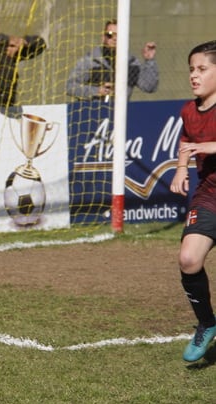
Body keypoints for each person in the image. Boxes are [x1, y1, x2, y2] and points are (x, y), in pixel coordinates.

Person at [169, 40, 216, 363]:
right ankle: (207, 324)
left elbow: (205, 145)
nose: (194, 76)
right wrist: (181, 169)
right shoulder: (188, 110)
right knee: (188, 259)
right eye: (191, 69)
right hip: (210, 195)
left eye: (202, 69)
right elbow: (186, 143)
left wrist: (210, 146)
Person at [66, 20, 158, 101]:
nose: (115, 38)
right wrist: (97, 91)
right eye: (110, 35)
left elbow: (149, 87)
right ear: (103, 38)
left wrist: (149, 61)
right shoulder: (90, 61)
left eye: (119, 35)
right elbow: (70, 87)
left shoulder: (131, 63)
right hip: (93, 113)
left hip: (121, 116)